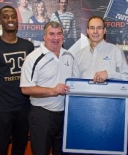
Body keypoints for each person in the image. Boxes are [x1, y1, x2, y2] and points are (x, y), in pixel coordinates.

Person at [20, 21, 74, 155]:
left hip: (65, 116)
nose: (55, 38)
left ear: (63, 36)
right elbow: (26, 89)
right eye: (51, 34)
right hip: (42, 115)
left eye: (59, 34)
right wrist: (53, 91)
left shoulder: (69, 55)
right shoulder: (33, 58)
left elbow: (75, 82)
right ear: (44, 36)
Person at [0, 5, 34, 155]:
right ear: (0, 20)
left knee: (20, 147)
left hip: (24, 108)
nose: (10, 19)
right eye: (6, 16)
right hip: (2, 110)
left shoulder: (28, 46)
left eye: (13, 16)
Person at [72, 16, 128, 84]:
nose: (95, 31)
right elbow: (74, 84)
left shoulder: (116, 51)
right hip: (83, 94)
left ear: (104, 31)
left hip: (109, 94)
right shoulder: (79, 55)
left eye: (99, 28)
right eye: (92, 28)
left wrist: (109, 74)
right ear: (87, 31)